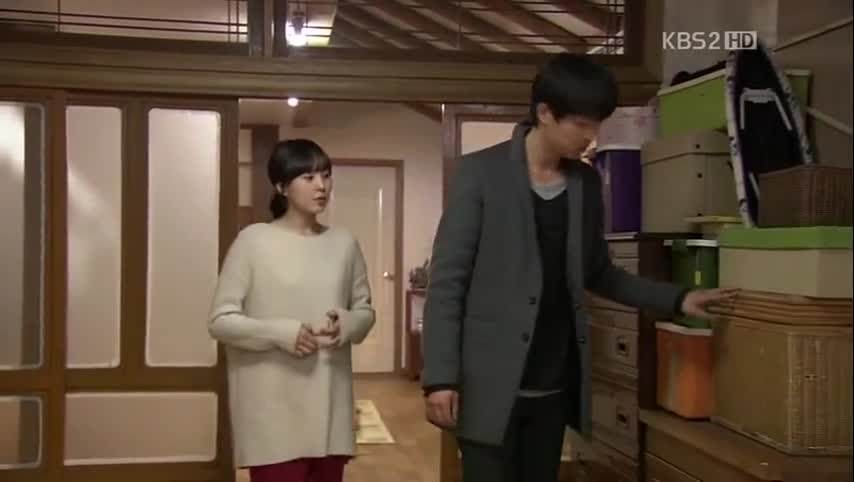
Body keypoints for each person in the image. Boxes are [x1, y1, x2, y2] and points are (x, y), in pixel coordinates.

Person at [421, 53, 737, 482]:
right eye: (581, 125)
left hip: (554, 385)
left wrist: (680, 298)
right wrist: (440, 378)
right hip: (488, 387)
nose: (591, 138)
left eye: (597, 125)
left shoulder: (584, 184)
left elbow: (601, 274)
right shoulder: (479, 174)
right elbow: (447, 285)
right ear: (544, 113)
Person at [208, 139, 375, 482]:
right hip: (272, 411)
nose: (321, 186)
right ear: (281, 186)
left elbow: (365, 311)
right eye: (308, 177)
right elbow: (220, 321)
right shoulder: (253, 241)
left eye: (326, 175)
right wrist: (283, 333)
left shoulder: (344, 243)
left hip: (330, 407)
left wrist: (345, 324)